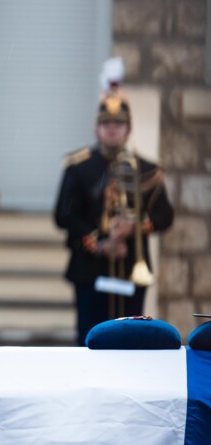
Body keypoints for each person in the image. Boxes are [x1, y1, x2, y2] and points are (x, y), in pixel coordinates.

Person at [54, 59, 173, 346]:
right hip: (90, 267)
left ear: (129, 128)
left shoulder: (148, 170)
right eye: (106, 123)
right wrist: (99, 242)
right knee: (89, 339)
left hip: (131, 264)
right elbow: (63, 215)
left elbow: (165, 215)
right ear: (97, 128)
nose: (112, 129)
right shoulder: (78, 167)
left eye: (118, 124)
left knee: (129, 342)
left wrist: (135, 226)